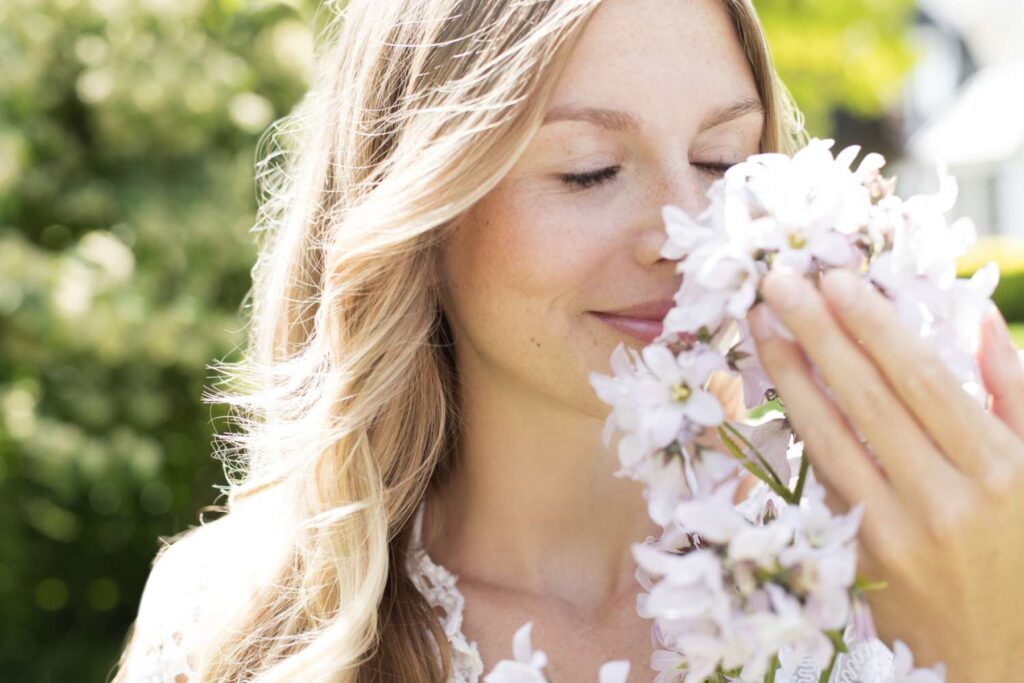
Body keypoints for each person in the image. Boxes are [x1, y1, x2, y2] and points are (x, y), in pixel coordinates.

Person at [112, 0, 1024, 681]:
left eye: (721, 160)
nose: (686, 231)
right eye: (588, 172)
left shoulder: (909, 571)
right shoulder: (242, 626)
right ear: (421, 211)